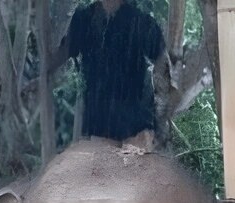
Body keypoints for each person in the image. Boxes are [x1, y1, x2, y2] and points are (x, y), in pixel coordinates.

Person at [52, 0, 168, 147]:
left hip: (135, 126)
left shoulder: (141, 21)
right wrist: (42, 75)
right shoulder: (83, 18)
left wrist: (160, 116)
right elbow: (64, 51)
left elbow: (162, 59)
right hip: (98, 124)